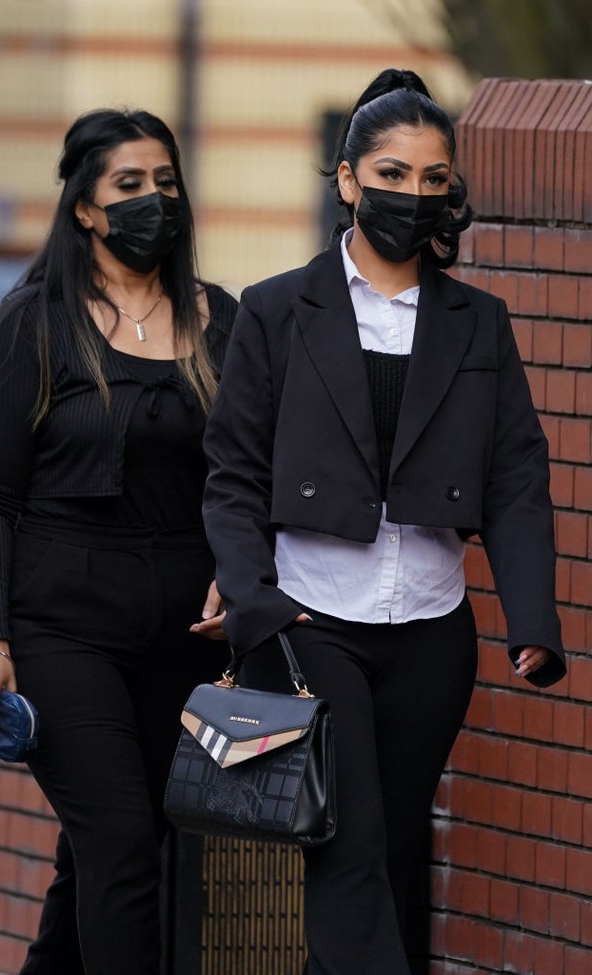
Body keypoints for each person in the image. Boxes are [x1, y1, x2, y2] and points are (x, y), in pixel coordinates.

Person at [196, 68, 567, 975]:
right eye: (392, 175)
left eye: (433, 179)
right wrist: (255, 603)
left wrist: (533, 621)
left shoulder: (478, 323)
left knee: (393, 848)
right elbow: (234, 473)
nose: (412, 195)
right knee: (349, 846)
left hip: (433, 633)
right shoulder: (279, 310)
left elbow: (516, 474)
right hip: (314, 625)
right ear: (350, 180)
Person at [0, 107, 238, 975]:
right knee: (119, 841)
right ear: (84, 205)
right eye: (129, 185)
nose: (154, 200)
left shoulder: (220, 322)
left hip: (185, 635)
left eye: (165, 182)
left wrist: (240, 568)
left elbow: (249, 474)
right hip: (63, 627)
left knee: (124, 843)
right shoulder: (34, 322)